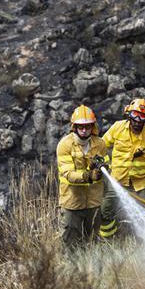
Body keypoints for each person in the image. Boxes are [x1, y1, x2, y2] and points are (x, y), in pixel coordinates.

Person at [99, 98, 145, 239]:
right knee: (105, 210)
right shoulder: (117, 128)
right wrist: (104, 162)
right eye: (135, 116)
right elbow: (101, 146)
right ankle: (110, 240)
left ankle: (143, 241)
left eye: (141, 118)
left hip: (141, 184)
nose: (137, 121)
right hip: (117, 180)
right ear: (128, 115)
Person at [56, 105, 107, 245]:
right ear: (74, 127)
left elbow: (107, 168)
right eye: (80, 127)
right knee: (71, 246)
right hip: (72, 204)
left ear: (93, 126)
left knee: (93, 244)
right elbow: (68, 174)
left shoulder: (100, 144)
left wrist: (104, 170)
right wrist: (89, 176)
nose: (84, 131)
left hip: (94, 203)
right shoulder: (65, 145)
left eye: (87, 127)